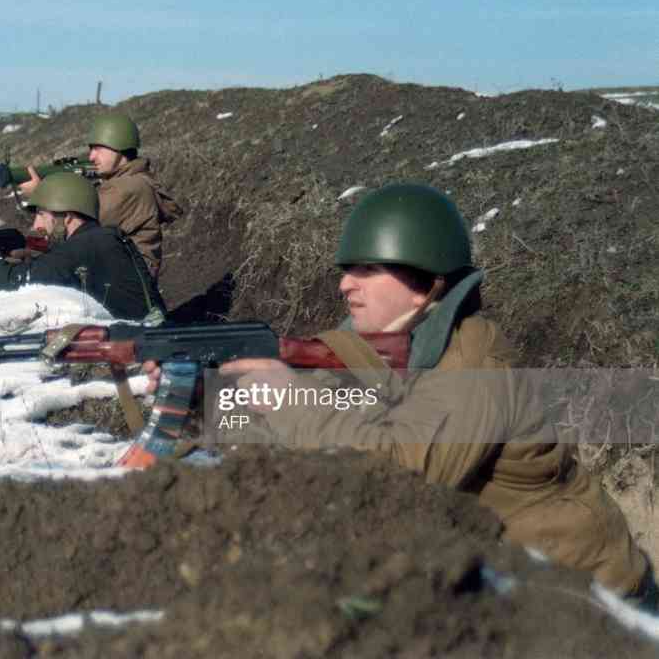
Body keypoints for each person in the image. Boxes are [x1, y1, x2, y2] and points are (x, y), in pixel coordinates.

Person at [143, 182, 656, 605]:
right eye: (347, 270)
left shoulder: (476, 363)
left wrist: (288, 398)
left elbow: (407, 469)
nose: (346, 285)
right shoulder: (371, 351)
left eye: (367, 269)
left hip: (591, 600)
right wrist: (199, 404)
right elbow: (316, 418)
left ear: (425, 282)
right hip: (489, 579)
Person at [0, 172, 166, 323]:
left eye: (42, 215)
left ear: (68, 217)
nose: (35, 225)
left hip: (141, 349)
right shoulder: (97, 239)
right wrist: (36, 260)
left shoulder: (87, 245)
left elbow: (25, 281)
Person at [18, 110, 181, 278]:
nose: (91, 156)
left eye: (98, 149)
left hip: (125, 283)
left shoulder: (129, 188)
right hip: (116, 274)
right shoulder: (120, 183)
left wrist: (41, 193)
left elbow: (77, 224)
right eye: (91, 149)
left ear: (120, 147)